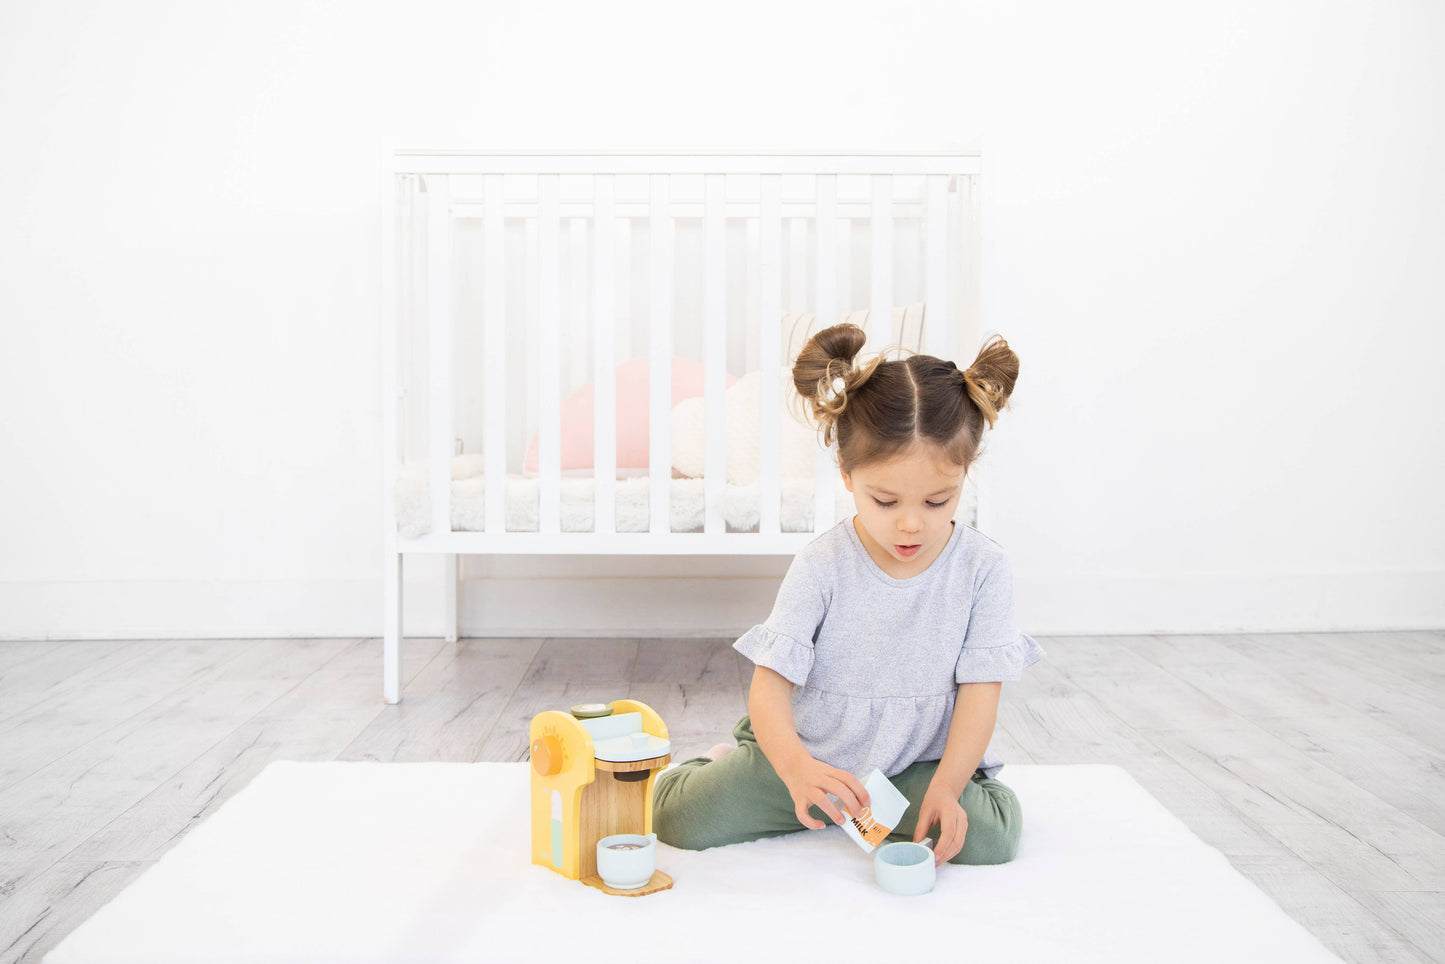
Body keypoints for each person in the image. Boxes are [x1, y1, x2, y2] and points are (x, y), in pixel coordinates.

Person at [652, 322, 1046, 867]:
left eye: (938, 501)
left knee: (988, 840)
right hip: (808, 754)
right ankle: (720, 761)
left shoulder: (984, 569)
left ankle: (965, 789)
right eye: (885, 501)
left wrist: (950, 788)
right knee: (678, 821)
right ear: (846, 474)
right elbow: (769, 688)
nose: (911, 525)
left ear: (964, 475)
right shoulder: (821, 566)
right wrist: (795, 769)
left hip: (914, 764)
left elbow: (981, 693)